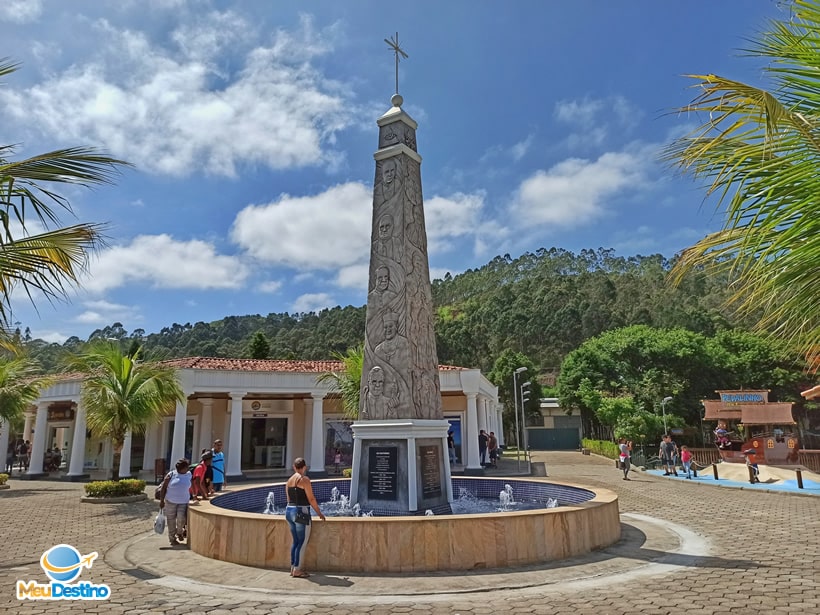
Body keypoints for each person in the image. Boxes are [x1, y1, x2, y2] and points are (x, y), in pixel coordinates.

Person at [285, 458, 325, 578]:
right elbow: (311, 498)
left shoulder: (289, 481)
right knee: (302, 542)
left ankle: (293, 567)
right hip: (301, 511)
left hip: (289, 510)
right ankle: (297, 569)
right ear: (304, 467)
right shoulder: (304, 480)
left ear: (294, 467)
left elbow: (288, 498)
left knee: (296, 541)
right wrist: (319, 513)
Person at [158, 458, 192, 546]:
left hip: (183, 502)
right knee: (171, 521)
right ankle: (172, 539)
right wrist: (162, 501)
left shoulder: (189, 474)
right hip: (170, 501)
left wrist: (194, 495)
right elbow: (163, 488)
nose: (188, 469)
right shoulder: (171, 475)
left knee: (182, 519)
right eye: (186, 467)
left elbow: (191, 485)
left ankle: (179, 532)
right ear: (182, 468)